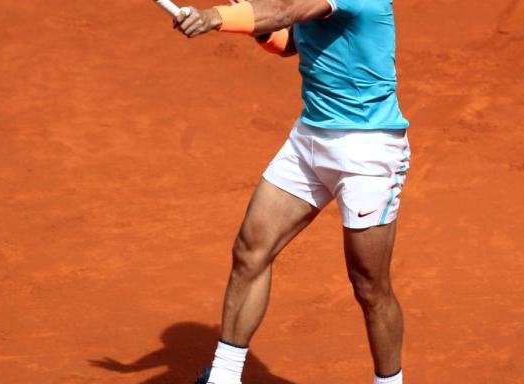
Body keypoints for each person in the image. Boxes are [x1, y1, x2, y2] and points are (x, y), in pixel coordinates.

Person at [173, 1, 411, 383]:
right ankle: (224, 377)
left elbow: (283, 11)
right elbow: (288, 40)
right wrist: (254, 24)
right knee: (251, 250)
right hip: (310, 139)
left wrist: (215, 17)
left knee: (369, 285)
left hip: (368, 150)